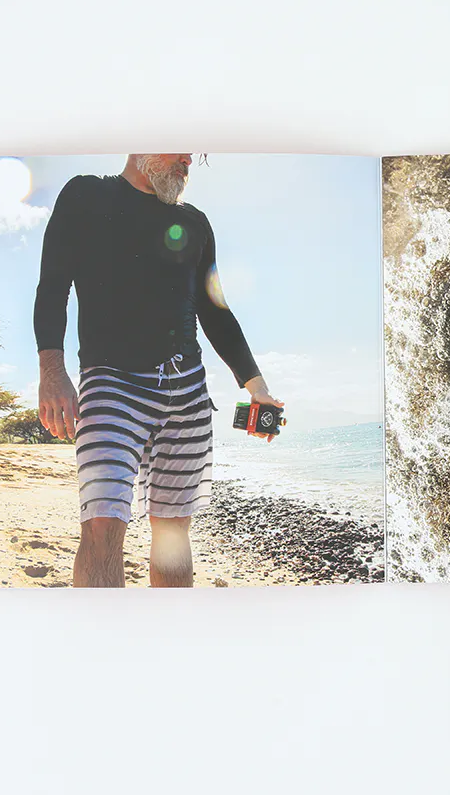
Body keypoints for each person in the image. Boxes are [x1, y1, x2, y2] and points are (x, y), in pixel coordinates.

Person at [33, 153, 283, 587]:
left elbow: (216, 311)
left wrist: (255, 386)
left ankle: (171, 638)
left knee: (172, 531)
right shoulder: (87, 195)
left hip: (187, 389)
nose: (188, 159)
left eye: (195, 153)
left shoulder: (196, 223)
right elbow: (53, 285)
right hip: (111, 381)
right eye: (179, 147)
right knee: (102, 521)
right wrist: (52, 373)